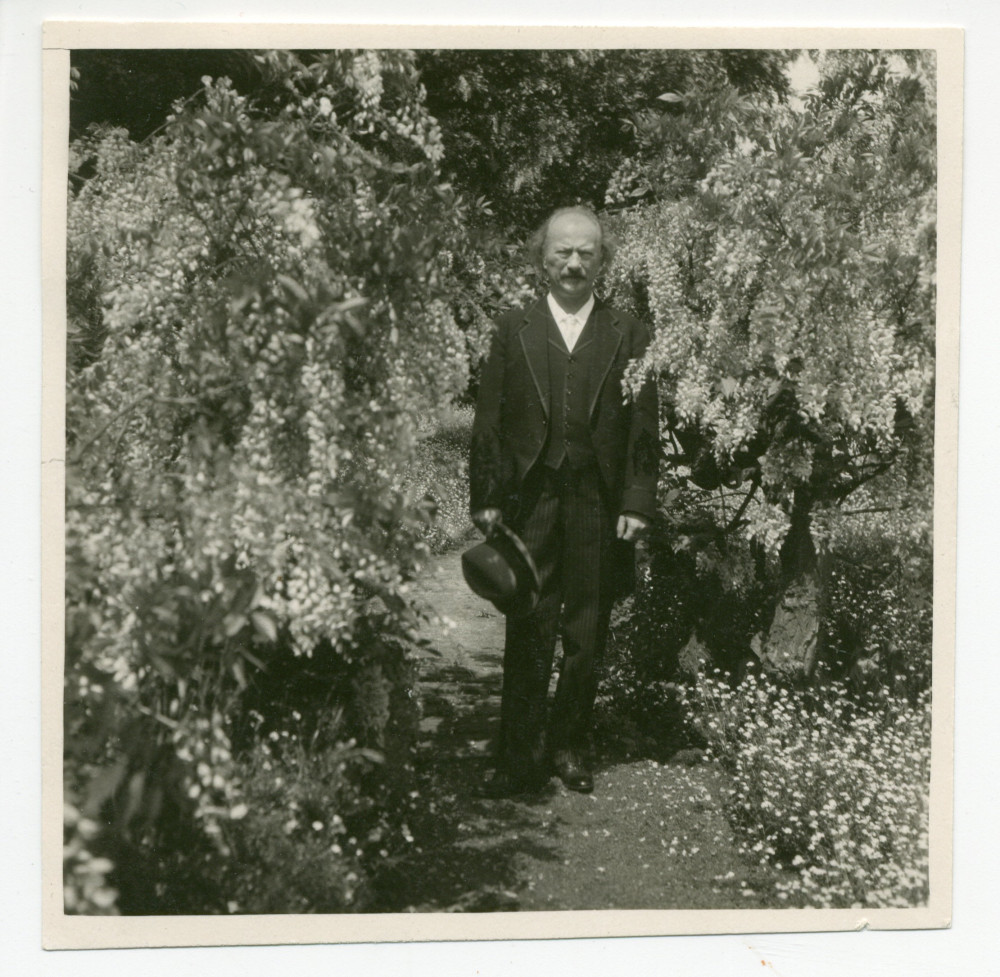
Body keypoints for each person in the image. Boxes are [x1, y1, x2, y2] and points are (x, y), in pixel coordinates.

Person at [469, 205, 659, 797]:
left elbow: (643, 430)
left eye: (586, 252)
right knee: (528, 625)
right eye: (562, 252)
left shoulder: (631, 333)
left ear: (603, 261)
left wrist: (636, 501)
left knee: (586, 631)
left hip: (596, 501)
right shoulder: (512, 328)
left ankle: (570, 745)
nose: (573, 263)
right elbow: (490, 420)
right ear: (542, 258)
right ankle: (517, 755)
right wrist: (489, 496)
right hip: (530, 498)